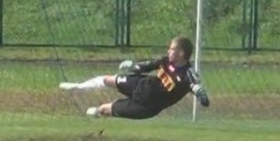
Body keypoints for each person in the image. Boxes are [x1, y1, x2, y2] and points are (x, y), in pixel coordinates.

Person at [59, 36, 209, 119]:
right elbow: (146, 66)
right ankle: (78, 87)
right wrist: (134, 66)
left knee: (104, 110)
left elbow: (195, 86)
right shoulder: (165, 61)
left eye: (172, 49)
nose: (168, 51)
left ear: (181, 53)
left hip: (146, 107)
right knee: (107, 79)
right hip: (141, 85)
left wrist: (202, 96)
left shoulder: (187, 73)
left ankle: (98, 112)